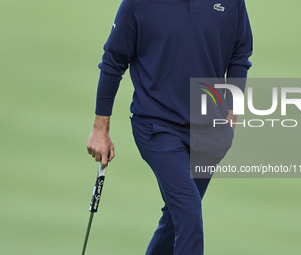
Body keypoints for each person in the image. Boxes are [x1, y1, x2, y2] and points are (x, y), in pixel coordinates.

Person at [87, 0, 252, 254]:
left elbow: (240, 54)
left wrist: (232, 113)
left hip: (210, 132)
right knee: (188, 210)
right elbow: (113, 61)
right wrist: (100, 129)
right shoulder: (138, 4)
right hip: (157, 127)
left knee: (175, 223)